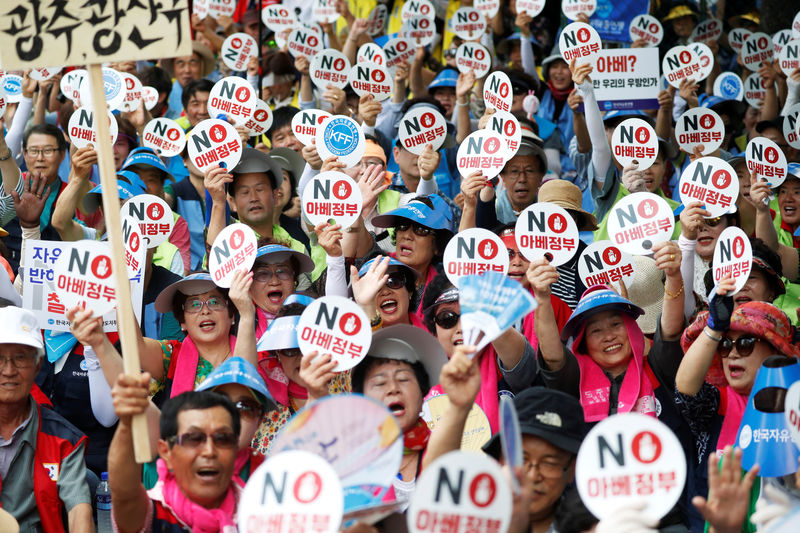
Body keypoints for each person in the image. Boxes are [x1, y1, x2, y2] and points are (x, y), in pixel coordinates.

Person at [676, 289, 799, 531]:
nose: (732, 352)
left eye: (745, 343)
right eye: (724, 345)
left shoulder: (797, 400)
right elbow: (685, 390)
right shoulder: (715, 402)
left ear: (776, 351)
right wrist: (712, 329)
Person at [0, 307, 92, 531]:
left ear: (38, 365)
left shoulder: (64, 441)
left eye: (20, 358)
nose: (9, 370)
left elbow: (79, 510)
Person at [109, 378, 241, 532]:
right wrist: (126, 424)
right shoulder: (154, 510)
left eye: (223, 439)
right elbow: (124, 495)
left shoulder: (259, 507)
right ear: (166, 452)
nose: (209, 451)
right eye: (194, 438)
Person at [421, 273, 537, 432]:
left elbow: (526, 368)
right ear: (433, 330)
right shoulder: (422, 378)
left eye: (471, 316)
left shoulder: (501, 353)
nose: (462, 328)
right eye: (447, 318)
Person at [351, 324, 448, 510]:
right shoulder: (352, 466)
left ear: (423, 393)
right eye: (379, 383)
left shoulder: (447, 451)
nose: (393, 389)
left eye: (403, 379)